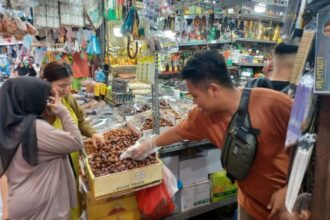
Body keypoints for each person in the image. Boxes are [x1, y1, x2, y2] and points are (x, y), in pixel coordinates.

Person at [123, 50, 293, 220]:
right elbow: (178, 131)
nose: (194, 102)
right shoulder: (203, 117)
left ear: (213, 90)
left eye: (195, 96)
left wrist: (290, 190)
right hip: (248, 206)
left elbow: (311, 146)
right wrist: (149, 144)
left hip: (287, 210)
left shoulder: (275, 104)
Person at [0, 77, 83, 219]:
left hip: (20, 197)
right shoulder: (36, 129)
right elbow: (76, 142)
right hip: (43, 204)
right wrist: (62, 111)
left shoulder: (10, 126)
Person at [41, 61, 105, 219]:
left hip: (73, 164)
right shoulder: (39, 106)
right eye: (62, 86)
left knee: (74, 204)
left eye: (69, 85)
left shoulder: (68, 98)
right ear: (45, 83)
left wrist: (93, 133)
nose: (67, 89)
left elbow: (81, 121)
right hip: (54, 171)